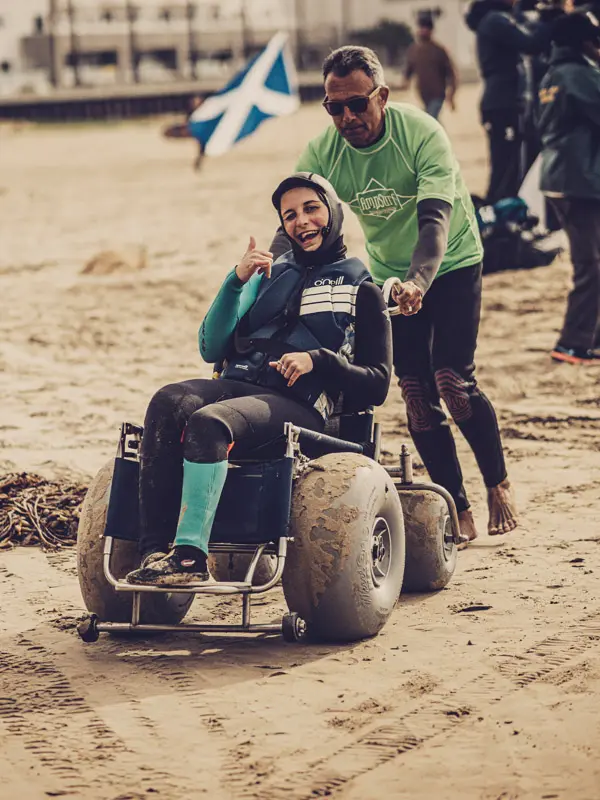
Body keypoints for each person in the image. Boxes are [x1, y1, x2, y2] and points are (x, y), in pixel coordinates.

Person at [271, 45, 518, 547]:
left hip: (450, 263)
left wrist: (419, 283)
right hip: (387, 275)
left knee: (452, 379)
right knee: (416, 394)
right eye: (333, 107)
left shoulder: (421, 133)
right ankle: (457, 503)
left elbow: (434, 223)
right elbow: (295, 218)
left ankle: (498, 483)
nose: (346, 117)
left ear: (381, 96)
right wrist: (268, 276)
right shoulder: (325, 152)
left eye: (357, 104)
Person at [125, 173, 392, 586]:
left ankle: (190, 558)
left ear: (333, 213)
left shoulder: (362, 289)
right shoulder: (268, 276)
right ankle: (156, 553)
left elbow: (378, 384)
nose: (301, 221)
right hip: (241, 387)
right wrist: (236, 280)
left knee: (209, 422)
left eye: (311, 209)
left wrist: (318, 361)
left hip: (300, 409)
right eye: (290, 215)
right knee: (169, 400)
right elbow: (211, 348)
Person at [538, 11, 600, 364]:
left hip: (560, 177)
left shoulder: (552, 75)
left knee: (593, 261)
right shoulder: (581, 74)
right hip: (581, 181)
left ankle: (590, 339)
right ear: (584, 42)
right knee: (589, 265)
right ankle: (572, 343)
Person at [465, 0, 556, 203]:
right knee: (505, 164)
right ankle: (498, 209)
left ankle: (502, 207)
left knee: (510, 162)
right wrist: (550, 21)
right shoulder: (495, 21)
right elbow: (530, 43)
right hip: (501, 102)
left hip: (504, 100)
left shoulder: (499, 19)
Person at [401, 16, 458, 119]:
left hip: (438, 94)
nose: (423, 31)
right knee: (431, 121)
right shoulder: (414, 50)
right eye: (421, 28)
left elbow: (451, 73)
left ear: (431, 31)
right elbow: (409, 70)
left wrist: (451, 95)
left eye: (426, 28)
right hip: (423, 94)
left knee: (431, 118)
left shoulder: (439, 50)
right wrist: (405, 82)